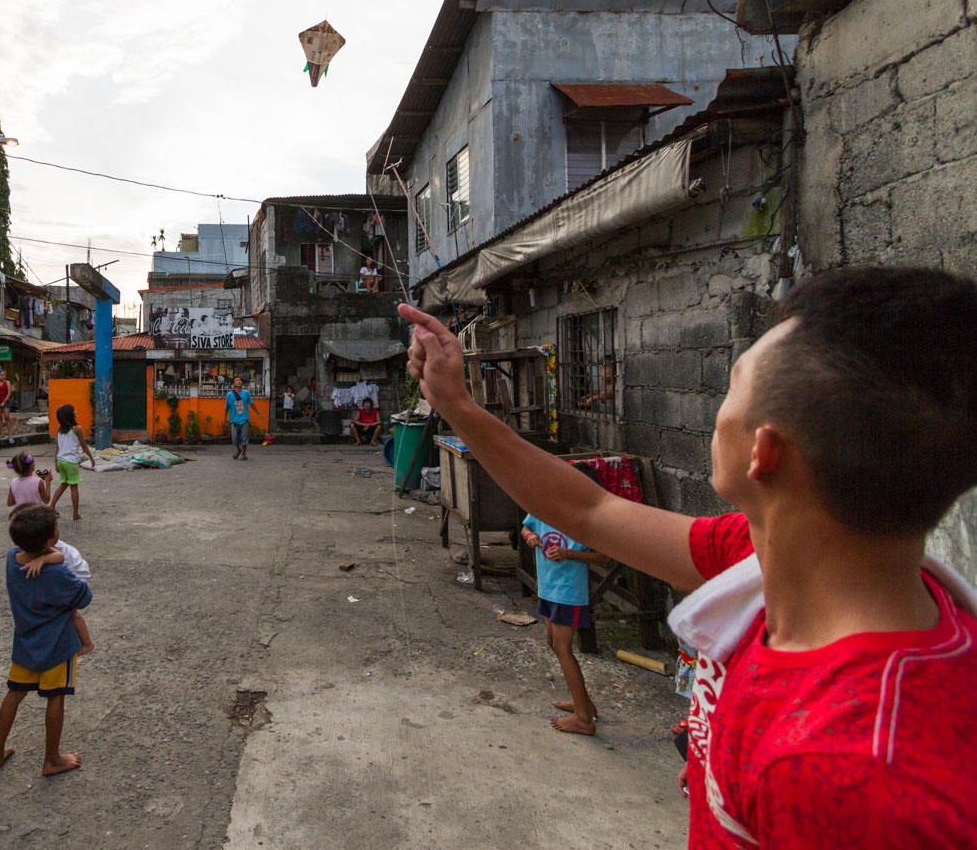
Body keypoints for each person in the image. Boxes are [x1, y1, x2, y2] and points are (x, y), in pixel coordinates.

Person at [398, 266, 977, 846]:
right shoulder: (766, 560)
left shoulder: (854, 775)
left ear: (764, 451)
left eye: (731, 386)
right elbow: (589, 511)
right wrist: (458, 404)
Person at [0, 504, 92, 777]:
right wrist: (50, 559)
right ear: (50, 540)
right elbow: (84, 597)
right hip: (57, 646)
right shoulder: (58, 573)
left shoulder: (12, 559)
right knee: (56, 697)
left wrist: (45, 557)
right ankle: (52, 759)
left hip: (25, 643)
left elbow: (39, 554)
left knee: (15, 693)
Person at [520, 463, 612, 736]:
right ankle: (584, 704)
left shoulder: (584, 518)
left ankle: (583, 719)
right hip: (548, 588)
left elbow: (603, 557)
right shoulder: (545, 507)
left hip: (567, 593)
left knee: (563, 648)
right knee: (553, 642)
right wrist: (531, 537)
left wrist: (570, 554)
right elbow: (525, 527)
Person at [17, 510, 95, 659]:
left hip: (78, 577)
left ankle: (86, 643)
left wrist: (43, 560)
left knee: (72, 613)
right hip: (67, 576)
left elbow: (59, 558)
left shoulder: (59, 549)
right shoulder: (43, 546)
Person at [51, 404, 95, 520]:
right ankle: (75, 514)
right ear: (70, 415)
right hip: (71, 462)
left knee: (64, 484)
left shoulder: (60, 430)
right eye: (73, 410)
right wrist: (91, 458)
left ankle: (51, 506)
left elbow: (58, 447)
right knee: (74, 487)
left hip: (61, 461)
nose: (75, 411)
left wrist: (55, 461)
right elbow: (84, 445)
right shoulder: (77, 429)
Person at [226, 375, 253, 461]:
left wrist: (259, 414)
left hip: (244, 418)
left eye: (240, 380)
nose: (239, 381)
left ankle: (244, 454)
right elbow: (227, 407)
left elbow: (251, 404)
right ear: (233, 384)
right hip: (234, 419)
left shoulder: (246, 393)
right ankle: (238, 449)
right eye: (237, 380)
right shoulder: (230, 395)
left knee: (244, 438)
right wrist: (224, 418)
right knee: (234, 438)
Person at [0, 367, 14, 443]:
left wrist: (3, 402)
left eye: (4, 375)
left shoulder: (7, 383)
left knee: (7, 417)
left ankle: (9, 434)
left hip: (5, 402)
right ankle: (1, 433)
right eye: (1, 375)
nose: (3, 377)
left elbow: (9, 393)